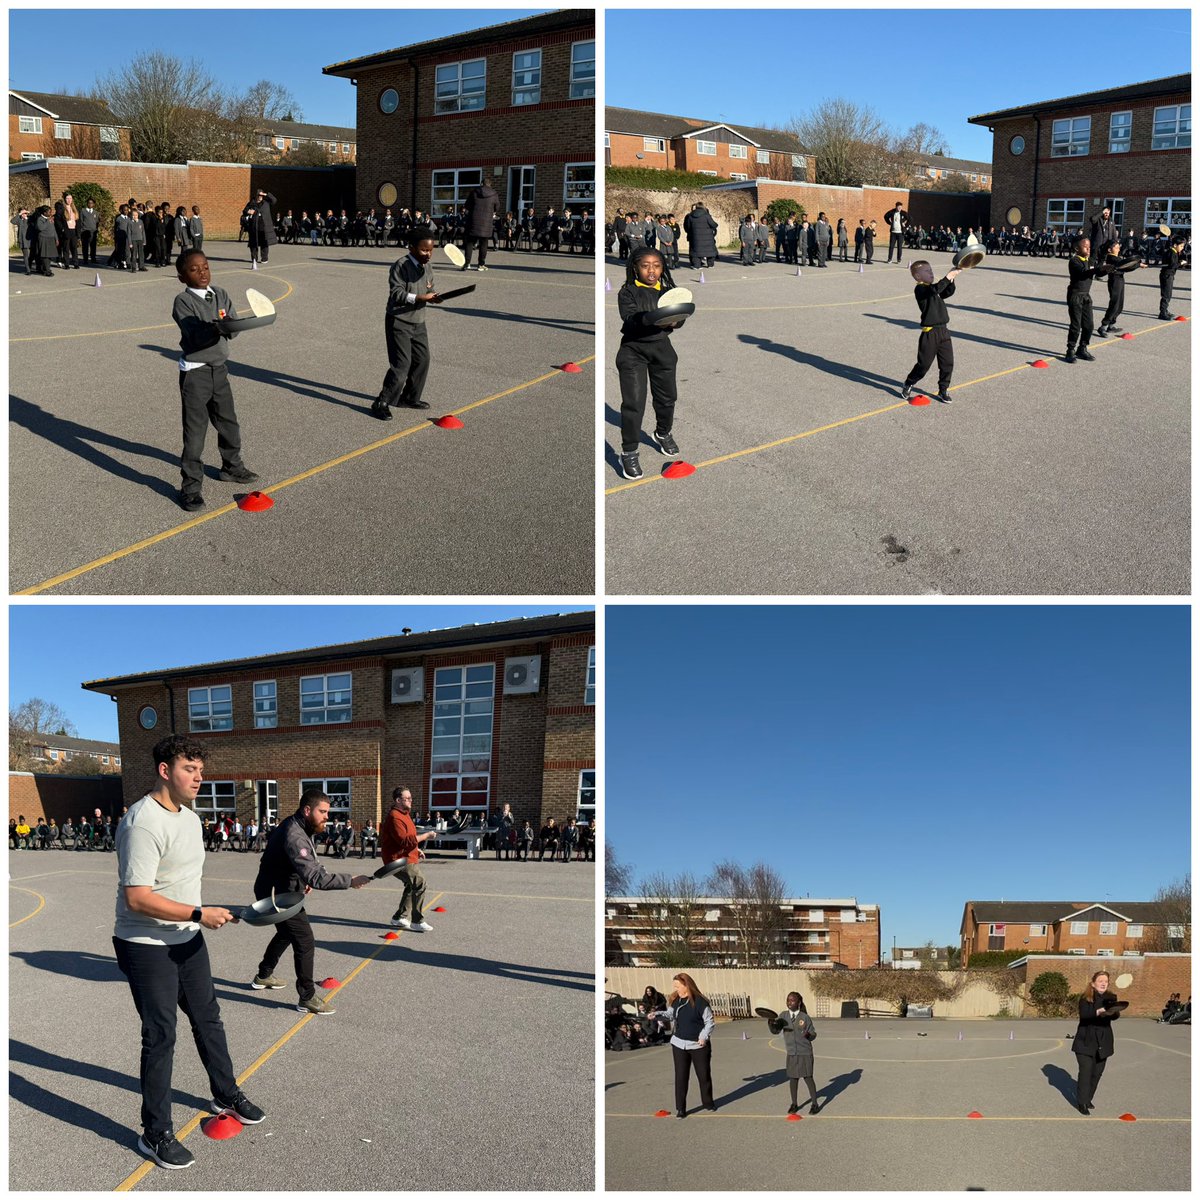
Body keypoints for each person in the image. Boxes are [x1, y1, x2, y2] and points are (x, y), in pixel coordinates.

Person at [113, 735, 265, 1170]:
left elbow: (178, 883)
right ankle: (155, 1133)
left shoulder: (191, 819)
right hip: (145, 943)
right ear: (165, 771)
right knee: (161, 1036)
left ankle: (225, 1093)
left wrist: (206, 914)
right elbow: (137, 899)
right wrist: (200, 913)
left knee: (208, 1019)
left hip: (187, 938)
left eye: (200, 770)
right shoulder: (142, 822)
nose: (199, 777)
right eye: (189, 769)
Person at [251, 788, 371, 1014]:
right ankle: (307, 997)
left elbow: (299, 863)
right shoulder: (294, 835)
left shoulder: (299, 825)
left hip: (278, 889)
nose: (327, 816)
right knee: (304, 940)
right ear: (307, 810)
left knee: (287, 933)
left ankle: (263, 975)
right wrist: (350, 880)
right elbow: (317, 877)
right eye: (323, 811)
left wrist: (301, 877)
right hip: (278, 896)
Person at [172, 248, 259, 512]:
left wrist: (239, 324)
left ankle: (231, 467)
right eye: (194, 269)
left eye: (205, 267)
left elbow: (230, 328)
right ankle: (190, 488)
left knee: (228, 423)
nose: (202, 273)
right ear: (182, 277)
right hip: (196, 374)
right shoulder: (182, 301)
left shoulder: (220, 294)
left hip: (219, 370)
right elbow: (196, 332)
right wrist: (217, 326)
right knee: (195, 434)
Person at [615, 245, 684, 481]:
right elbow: (631, 320)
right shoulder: (628, 292)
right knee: (634, 403)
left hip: (662, 351)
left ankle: (662, 433)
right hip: (633, 352)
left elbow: (679, 318)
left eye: (656, 266)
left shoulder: (668, 292)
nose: (651, 271)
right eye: (645, 266)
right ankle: (629, 451)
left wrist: (674, 321)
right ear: (635, 268)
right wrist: (655, 318)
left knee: (667, 398)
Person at [371, 227, 442, 421]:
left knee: (422, 360)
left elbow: (429, 287)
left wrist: (433, 296)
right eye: (424, 250)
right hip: (399, 321)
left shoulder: (427, 266)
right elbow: (397, 294)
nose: (428, 254)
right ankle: (381, 402)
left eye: (431, 250)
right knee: (401, 365)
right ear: (411, 247)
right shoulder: (400, 266)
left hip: (418, 321)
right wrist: (421, 297)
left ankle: (409, 398)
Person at [648, 973, 716, 1118]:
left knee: (703, 1076)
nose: (676, 989)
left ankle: (708, 1102)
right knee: (681, 1076)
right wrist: (656, 1014)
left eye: (678, 986)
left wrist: (703, 1037)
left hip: (698, 1045)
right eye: (675, 986)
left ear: (686, 985)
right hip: (679, 1043)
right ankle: (681, 1108)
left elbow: (709, 1022)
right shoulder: (675, 1000)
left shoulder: (700, 1002)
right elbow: (669, 1015)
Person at [899, 260, 962, 404]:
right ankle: (909, 382)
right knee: (923, 365)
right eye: (927, 271)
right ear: (917, 276)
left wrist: (952, 278)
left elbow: (947, 291)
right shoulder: (921, 290)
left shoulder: (934, 289)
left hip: (944, 331)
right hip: (930, 334)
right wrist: (947, 276)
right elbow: (935, 290)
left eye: (931, 270)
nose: (931, 272)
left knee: (948, 363)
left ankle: (943, 389)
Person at [380, 787, 439, 930]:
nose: (410, 800)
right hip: (398, 860)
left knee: (410, 885)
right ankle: (417, 921)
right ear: (398, 800)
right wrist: (426, 836)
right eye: (407, 798)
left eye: (411, 798)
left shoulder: (404, 814)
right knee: (419, 883)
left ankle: (399, 917)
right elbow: (405, 841)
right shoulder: (395, 817)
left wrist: (416, 849)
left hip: (406, 856)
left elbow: (406, 840)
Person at [1072, 970, 1120, 1114]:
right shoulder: (1085, 998)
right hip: (1085, 1042)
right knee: (1086, 1073)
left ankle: (1088, 1098)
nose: (1103, 983)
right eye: (1100, 981)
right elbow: (1085, 1015)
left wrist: (1114, 1011)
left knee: (1096, 1073)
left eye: (1106, 981)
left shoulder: (1111, 997)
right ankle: (1081, 1103)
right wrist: (1098, 1011)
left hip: (1103, 1042)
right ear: (1093, 983)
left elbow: (1115, 1015)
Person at [1064, 236, 1112, 363]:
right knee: (1076, 325)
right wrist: (1098, 269)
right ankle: (1070, 350)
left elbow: (1098, 273)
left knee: (1089, 325)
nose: (1088, 249)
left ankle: (1082, 348)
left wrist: (1108, 269)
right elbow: (1083, 273)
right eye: (1086, 247)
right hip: (1075, 295)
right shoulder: (1074, 261)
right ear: (1076, 248)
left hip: (1086, 296)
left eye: (1089, 247)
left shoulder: (1090, 260)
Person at [777, 991, 820, 1113]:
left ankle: (815, 1104)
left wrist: (808, 1034)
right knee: (793, 1079)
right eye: (788, 1000)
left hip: (805, 1053)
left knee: (808, 1077)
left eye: (792, 1000)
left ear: (798, 1002)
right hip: (792, 1053)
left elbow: (813, 1035)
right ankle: (794, 1104)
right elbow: (776, 1030)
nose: (789, 1002)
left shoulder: (804, 1017)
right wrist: (772, 1024)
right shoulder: (783, 1016)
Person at [1095, 240, 1142, 337]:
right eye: (1116, 247)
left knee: (1120, 305)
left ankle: (1111, 325)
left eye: (1118, 247)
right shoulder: (1111, 258)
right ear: (1109, 249)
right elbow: (1126, 266)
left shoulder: (1117, 257)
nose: (1118, 248)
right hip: (1114, 281)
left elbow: (1126, 265)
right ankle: (1103, 326)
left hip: (1120, 280)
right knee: (1114, 304)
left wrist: (1137, 264)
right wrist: (1138, 264)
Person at [462, 177, 500, 271]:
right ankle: (480, 264)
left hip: (473, 221)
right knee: (484, 244)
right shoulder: (494, 194)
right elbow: (497, 207)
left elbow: (467, 205)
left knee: (469, 243)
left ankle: (467, 263)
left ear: (481, 183)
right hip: (486, 222)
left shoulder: (474, 192)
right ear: (490, 184)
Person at [243, 189, 278, 264]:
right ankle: (254, 258)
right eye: (259, 195)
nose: (260, 197)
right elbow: (244, 211)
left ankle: (264, 258)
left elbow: (274, 200)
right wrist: (248, 211)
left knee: (264, 243)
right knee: (253, 243)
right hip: (254, 226)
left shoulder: (266, 203)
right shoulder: (251, 203)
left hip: (264, 226)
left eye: (261, 195)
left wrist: (266, 194)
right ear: (256, 195)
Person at [1158, 232, 1186, 321]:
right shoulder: (1171, 252)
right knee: (1166, 295)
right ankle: (1162, 313)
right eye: (1181, 246)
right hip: (1167, 275)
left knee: (1168, 294)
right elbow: (1172, 265)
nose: (1182, 248)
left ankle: (1165, 310)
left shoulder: (1173, 252)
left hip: (1169, 275)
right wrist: (1180, 263)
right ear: (1175, 245)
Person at [684, 203, 718, 269]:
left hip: (695, 238)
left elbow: (688, 227)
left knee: (695, 252)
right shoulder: (706, 215)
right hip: (708, 237)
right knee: (710, 251)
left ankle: (697, 266)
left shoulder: (690, 216)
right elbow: (714, 225)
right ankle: (710, 264)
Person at [12, 207, 33, 275]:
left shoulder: (30, 219)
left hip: (30, 240)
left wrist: (28, 212)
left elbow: (35, 217)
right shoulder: (19, 220)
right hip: (23, 240)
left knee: (32, 255)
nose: (24, 214)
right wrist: (19, 214)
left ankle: (32, 267)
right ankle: (28, 270)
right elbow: (12, 221)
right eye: (23, 213)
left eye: (25, 213)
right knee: (25, 255)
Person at [80, 197, 100, 265]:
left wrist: (96, 230)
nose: (90, 204)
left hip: (93, 232)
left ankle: (93, 258)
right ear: (87, 203)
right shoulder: (83, 211)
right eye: (89, 203)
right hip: (85, 231)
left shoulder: (96, 213)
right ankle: (85, 259)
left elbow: (97, 222)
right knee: (85, 246)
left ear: (94, 204)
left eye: (92, 203)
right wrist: (81, 230)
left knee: (93, 246)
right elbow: (81, 221)